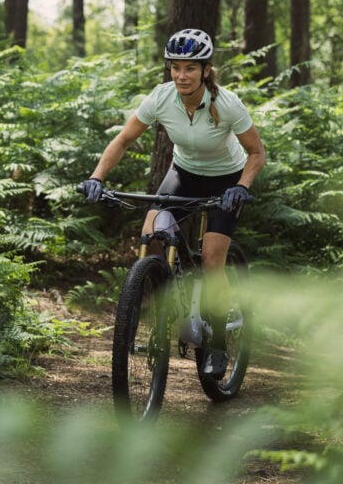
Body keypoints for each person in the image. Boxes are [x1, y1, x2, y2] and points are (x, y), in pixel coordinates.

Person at [81, 28, 266, 380]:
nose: (181, 75)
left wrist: (241, 186)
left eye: (190, 68)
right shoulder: (161, 97)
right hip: (183, 174)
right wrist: (96, 177)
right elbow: (123, 139)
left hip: (225, 180)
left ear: (206, 70)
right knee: (151, 235)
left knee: (212, 259)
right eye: (176, 67)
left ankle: (217, 342)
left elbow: (256, 153)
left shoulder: (226, 104)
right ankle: (164, 305)